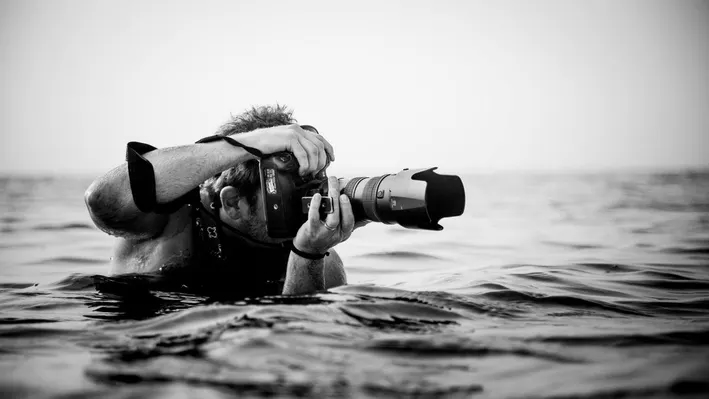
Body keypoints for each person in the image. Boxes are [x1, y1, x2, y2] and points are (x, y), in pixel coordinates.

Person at [84, 105, 356, 297]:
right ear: (234, 203)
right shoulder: (169, 221)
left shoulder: (321, 254)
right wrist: (253, 143)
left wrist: (307, 255)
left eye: (310, 184)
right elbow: (103, 201)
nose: (307, 201)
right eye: (290, 190)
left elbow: (302, 343)